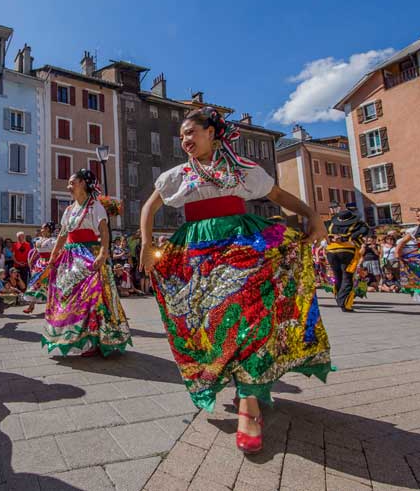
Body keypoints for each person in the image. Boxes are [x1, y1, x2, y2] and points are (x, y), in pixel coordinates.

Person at [139, 107, 331, 455]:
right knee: (207, 323)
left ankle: (249, 403)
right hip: (196, 253)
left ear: (212, 132)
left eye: (191, 133)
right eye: (182, 136)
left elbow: (279, 196)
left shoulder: (243, 170)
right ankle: (222, 375)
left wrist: (312, 216)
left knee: (245, 314)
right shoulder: (178, 174)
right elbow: (149, 208)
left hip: (241, 246)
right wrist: (146, 243)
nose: (185, 140)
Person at [43, 169, 132, 358]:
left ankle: (95, 340)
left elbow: (104, 232)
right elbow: (62, 235)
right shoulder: (69, 210)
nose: (68, 186)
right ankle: (74, 336)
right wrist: (53, 257)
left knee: (94, 297)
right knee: (68, 295)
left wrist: (102, 254)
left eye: (72, 182)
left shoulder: (95, 206)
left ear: (83, 183)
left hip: (89, 255)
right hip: (70, 257)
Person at [325, 210, 370, 312]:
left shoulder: (329, 224)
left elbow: (323, 233)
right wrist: (348, 237)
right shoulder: (356, 224)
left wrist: (333, 238)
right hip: (346, 251)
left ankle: (339, 297)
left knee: (338, 276)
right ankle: (344, 302)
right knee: (347, 276)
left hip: (331, 252)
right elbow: (364, 230)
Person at [23, 222, 57, 314]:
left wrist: (53, 263)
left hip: (48, 264)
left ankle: (51, 307)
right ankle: (31, 305)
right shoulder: (38, 240)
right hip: (39, 264)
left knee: (47, 285)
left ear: (48, 229)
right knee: (35, 284)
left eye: (43, 228)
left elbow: (57, 252)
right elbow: (36, 251)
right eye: (42, 228)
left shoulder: (53, 241)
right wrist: (31, 260)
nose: (41, 230)